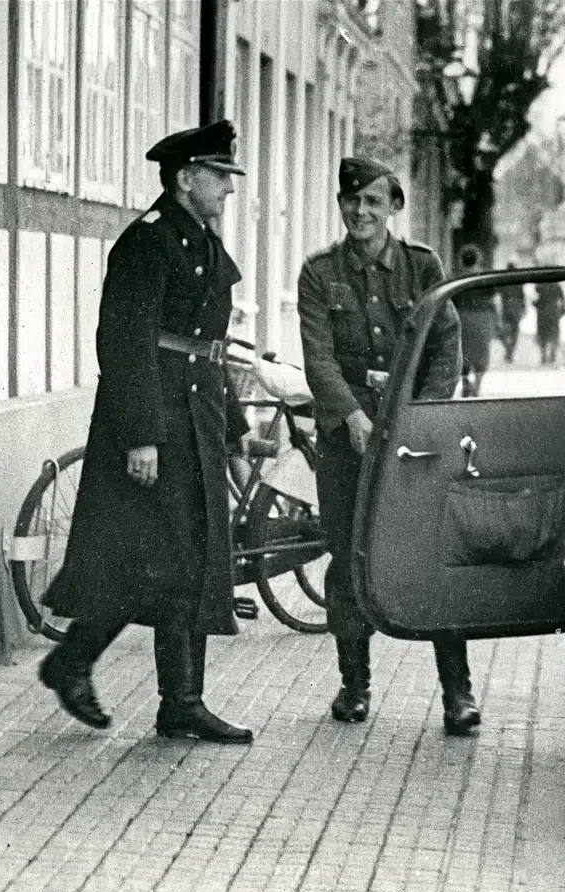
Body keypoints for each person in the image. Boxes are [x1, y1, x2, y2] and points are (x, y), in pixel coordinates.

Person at [38, 120, 256, 744]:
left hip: (195, 419)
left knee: (185, 559)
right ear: (186, 178)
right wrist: (141, 435)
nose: (229, 188)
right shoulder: (148, 242)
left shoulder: (202, 243)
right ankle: (87, 667)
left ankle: (176, 702)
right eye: (220, 176)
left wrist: (234, 428)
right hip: (155, 421)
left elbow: (208, 347)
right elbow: (124, 341)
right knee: (148, 561)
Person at [296, 156, 482, 735]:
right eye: (351, 201)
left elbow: (446, 346)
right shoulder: (319, 273)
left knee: (433, 556)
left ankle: (458, 693)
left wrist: (418, 418)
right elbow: (318, 358)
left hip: (413, 440)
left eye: (373, 201)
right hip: (345, 442)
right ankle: (354, 686)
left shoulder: (423, 267)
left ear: (393, 207)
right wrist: (351, 416)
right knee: (347, 558)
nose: (361, 212)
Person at [454, 244, 499, 397]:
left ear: (461, 259)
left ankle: (466, 382)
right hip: (482, 317)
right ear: (478, 259)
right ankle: (477, 386)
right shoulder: (484, 276)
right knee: (481, 353)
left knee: (463, 352)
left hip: (463, 317)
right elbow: (492, 297)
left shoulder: (456, 276)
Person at [498, 260, 527, 364]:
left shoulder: (503, 280)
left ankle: (508, 350)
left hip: (506, 308)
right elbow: (522, 296)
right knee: (515, 333)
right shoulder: (518, 281)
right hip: (516, 308)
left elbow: (499, 292)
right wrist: (523, 308)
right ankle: (510, 352)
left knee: (503, 333)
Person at [534, 279, 565, 365]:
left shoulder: (539, 285)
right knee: (554, 333)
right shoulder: (556, 285)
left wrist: (534, 304)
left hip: (542, 313)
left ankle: (543, 355)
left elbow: (536, 299)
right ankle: (552, 354)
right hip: (553, 312)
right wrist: (563, 310)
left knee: (542, 334)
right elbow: (562, 299)